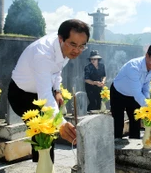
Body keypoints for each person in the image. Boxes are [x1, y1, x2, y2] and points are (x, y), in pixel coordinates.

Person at [7, 19, 90, 162]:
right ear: (61, 38)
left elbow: (56, 70)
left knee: (46, 136)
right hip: (21, 94)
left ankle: (44, 166)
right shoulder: (43, 54)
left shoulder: (65, 47)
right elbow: (45, 94)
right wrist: (62, 124)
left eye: (82, 46)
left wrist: (57, 90)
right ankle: (43, 166)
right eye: (73, 45)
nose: (77, 50)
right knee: (44, 133)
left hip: (41, 91)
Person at [111, 43, 151, 139]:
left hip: (134, 95)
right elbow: (137, 94)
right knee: (118, 122)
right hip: (118, 93)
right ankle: (115, 149)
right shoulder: (134, 67)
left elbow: (145, 86)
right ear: (147, 56)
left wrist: (149, 102)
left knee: (136, 121)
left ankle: (134, 148)